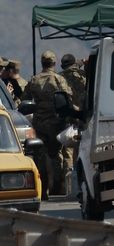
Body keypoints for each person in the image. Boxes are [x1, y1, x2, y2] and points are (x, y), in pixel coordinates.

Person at [22, 50, 72, 198]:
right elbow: (68, 98)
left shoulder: (34, 80)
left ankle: (42, 190)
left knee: (40, 156)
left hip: (40, 124)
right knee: (56, 155)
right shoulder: (59, 79)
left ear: (42, 63)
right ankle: (57, 188)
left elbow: (25, 99)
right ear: (54, 63)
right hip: (57, 123)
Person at [60, 53, 87, 184]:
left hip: (68, 116)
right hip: (83, 116)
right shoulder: (83, 76)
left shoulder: (60, 77)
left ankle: (70, 183)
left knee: (68, 152)